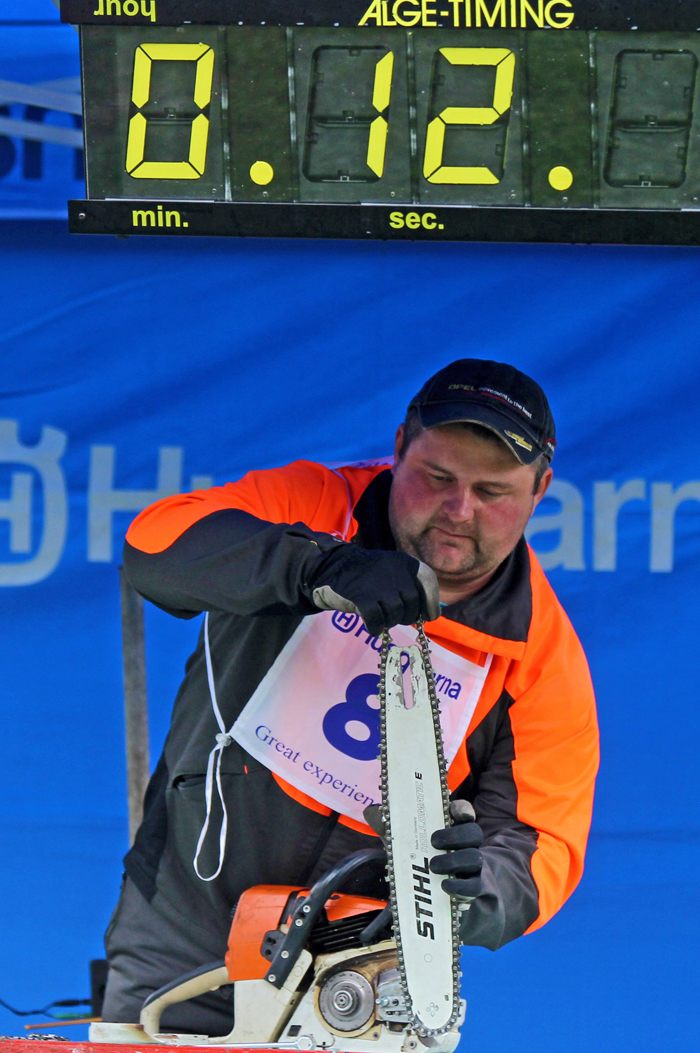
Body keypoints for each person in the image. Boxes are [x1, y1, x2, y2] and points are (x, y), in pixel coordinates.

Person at [102, 359, 599, 1035]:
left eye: (492, 491)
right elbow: (154, 545)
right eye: (438, 478)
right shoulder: (315, 503)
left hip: (362, 972)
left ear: (541, 489)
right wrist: (315, 567)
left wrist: (473, 885)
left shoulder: (541, 656)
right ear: (397, 448)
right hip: (184, 918)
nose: (459, 510)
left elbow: (545, 850)